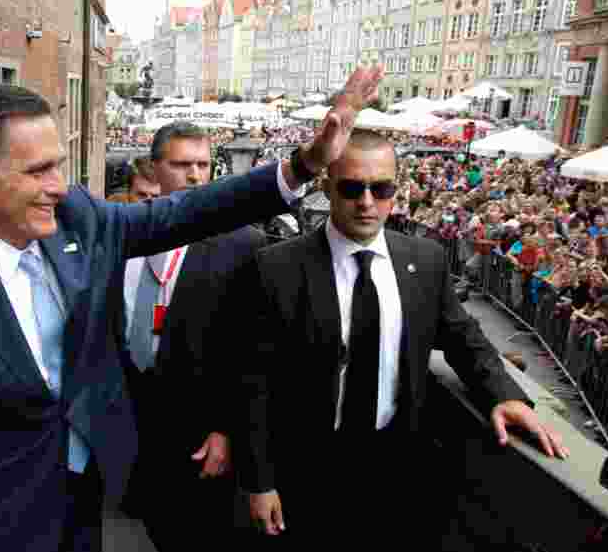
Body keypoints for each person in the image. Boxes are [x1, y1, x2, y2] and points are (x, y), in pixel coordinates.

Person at [0, 66, 385, 552]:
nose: (59, 185)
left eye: (59, 164)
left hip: (90, 486)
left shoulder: (76, 218)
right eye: (39, 170)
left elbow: (184, 212)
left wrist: (304, 164)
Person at [235, 129, 569, 549]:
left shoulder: (424, 259)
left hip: (396, 464)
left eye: (382, 188)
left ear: (397, 189)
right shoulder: (276, 267)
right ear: (326, 187)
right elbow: (254, 382)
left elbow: (463, 335)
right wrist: (259, 480)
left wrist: (505, 395)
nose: (367, 202)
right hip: (303, 467)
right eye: (352, 187)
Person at [120, 121, 267, 549]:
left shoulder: (243, 244)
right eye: (182, 164)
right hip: (134, 421)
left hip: (200, 430)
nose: (196, 175)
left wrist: (225, 429)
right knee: (156, 525)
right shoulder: (126, 234)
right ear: (155, 168)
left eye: (203, 164)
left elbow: (248, 350)